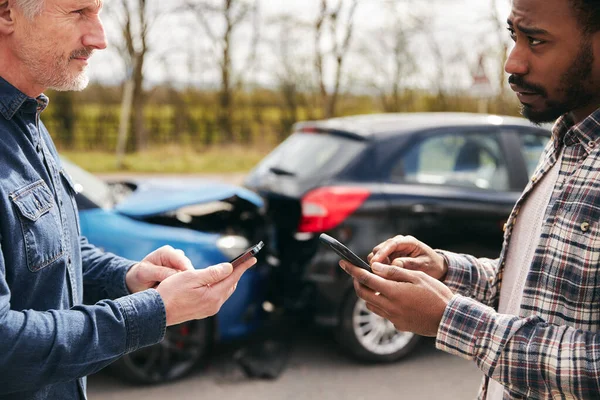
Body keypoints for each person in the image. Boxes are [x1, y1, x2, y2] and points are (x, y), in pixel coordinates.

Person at [340, 0, 600, 399]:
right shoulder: (566, 134)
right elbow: (536, 290)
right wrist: (445, 270)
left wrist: (451, 319)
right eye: (514, 36)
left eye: (537, 40)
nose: (513, 63)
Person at [0, 0, 256, 399]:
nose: (99, 38)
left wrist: (129, 276)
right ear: (6, 13)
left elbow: (54, 252)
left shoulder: (27, 121)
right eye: (78, 12)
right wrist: (154, 311)